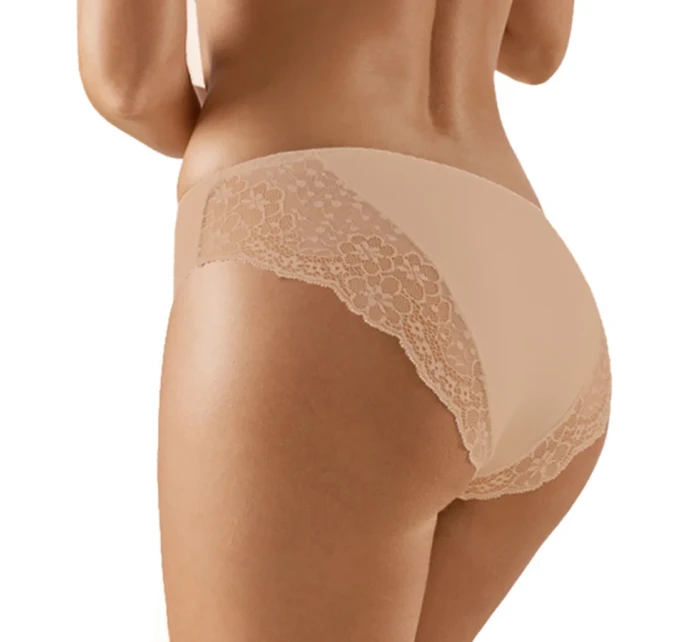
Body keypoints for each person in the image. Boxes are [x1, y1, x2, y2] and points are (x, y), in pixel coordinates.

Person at [77, 1, 612, 640]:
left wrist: (239, 108)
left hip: (317, 244)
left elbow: (130, 86)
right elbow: (536, 46)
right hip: (528, 271)